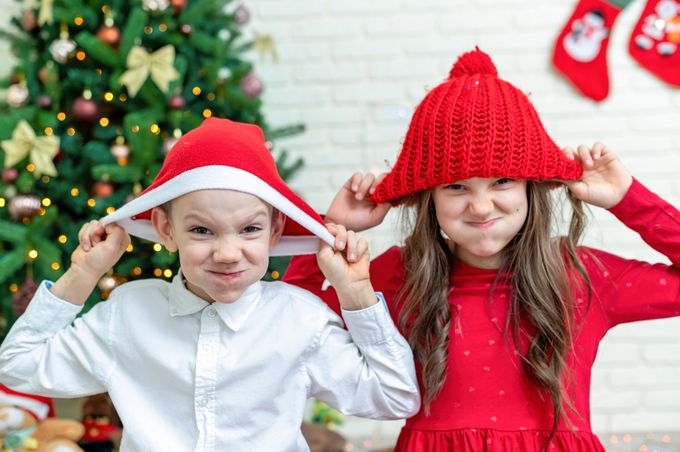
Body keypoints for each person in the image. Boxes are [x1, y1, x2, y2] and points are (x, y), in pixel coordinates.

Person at [283, 48, 680, 451]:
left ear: (530, 185)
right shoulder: (401, 276)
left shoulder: (582, 275)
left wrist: (628, 198)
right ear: (429, 198)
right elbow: (288, 318)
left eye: (502, 181)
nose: (481, 205)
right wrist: (335, 229)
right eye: (456, 186)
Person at [0, 118, 420, 452]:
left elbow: (396, 397)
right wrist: (84, 274)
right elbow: (16, 368)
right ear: (165, 229)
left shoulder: (298, 318)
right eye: (202, 230)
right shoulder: (128, 314)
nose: (227, 252)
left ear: (275, 231)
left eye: (249, 229)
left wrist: (356, 293)